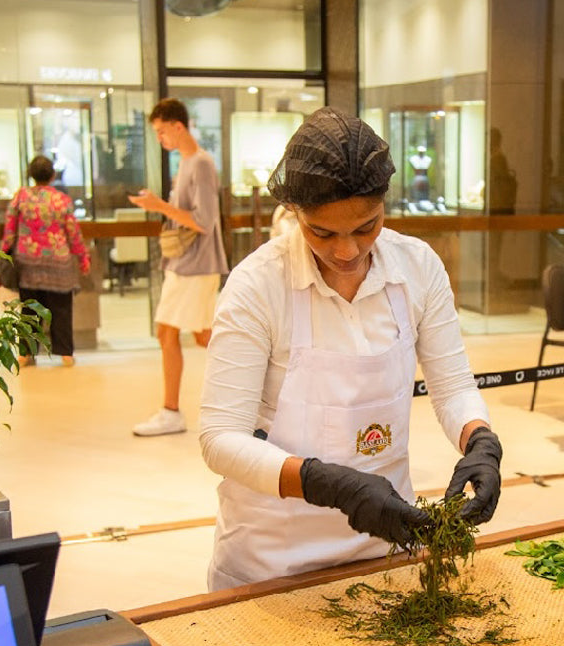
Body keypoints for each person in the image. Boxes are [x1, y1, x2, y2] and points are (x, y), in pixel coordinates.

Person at [198, 107, 503, 591]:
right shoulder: (258, 285)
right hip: (273, 558)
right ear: (295, 213)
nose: (347, 251)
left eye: (366, 226)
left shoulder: (417, 268)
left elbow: (453, 387)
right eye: (323, 232)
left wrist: (480, 440)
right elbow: (220, 438)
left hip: (386, 548)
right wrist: (328, 483)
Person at [129, 98, 230, 436]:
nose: (161, 139)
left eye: (161, 132)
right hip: (187, 263)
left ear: (178, 126)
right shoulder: (187, 163)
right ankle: (251, 393)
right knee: (202, 336)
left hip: (196, 264)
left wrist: (159, 206)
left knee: (169, 331)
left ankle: (172, 411)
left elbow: (204, 221)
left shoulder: (200, 163)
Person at [2, 155, 90, 367]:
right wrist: (82, 258)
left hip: (27, 262)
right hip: (59, 263)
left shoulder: (20, 197)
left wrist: (4, 254)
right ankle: (66, 354)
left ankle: (26, 354)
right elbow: (73, 232)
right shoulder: (62, 200)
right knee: (61, 308)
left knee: (29, 309)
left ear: (31, 175)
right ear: (52, 175)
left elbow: (9, 229)